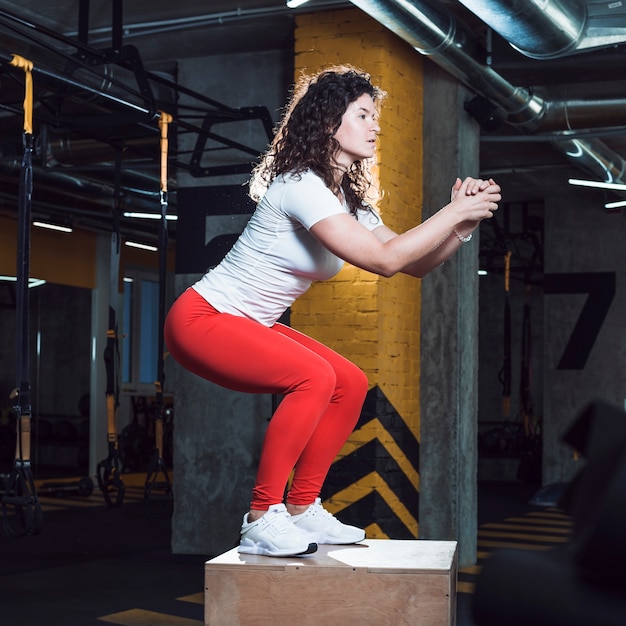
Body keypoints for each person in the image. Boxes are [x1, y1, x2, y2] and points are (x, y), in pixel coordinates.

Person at [164, 65, 501, 558]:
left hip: (248, 323)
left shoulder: (349, 201)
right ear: (328, 122)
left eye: (374, 116)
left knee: (350, 382)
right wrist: (450, 213)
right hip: (203, 320)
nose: (375, 126)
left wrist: (461, 226)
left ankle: (302, 508)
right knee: (314, 377)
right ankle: (262, 516)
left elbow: (415, 265)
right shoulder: (300, 185)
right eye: (363, 114)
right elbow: (385, 262)